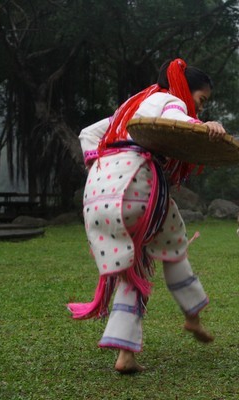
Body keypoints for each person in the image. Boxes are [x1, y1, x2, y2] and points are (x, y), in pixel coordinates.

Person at [68, 58, 226, 373]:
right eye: (201, 100)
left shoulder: (132, 104)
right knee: (175, 246)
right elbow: (177, 120)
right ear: (185, 88)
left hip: (99, 189)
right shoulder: (169, 100)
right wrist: (205, 126)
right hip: (135, 185)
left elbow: (88, 133)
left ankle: (125, 354)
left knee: (134, 268)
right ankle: (192, 315)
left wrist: (98, 164)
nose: (199, 106)